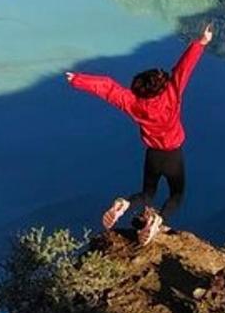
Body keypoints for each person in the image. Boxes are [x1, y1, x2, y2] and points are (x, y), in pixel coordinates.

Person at [65, 23, 213, 246]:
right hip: (173, 154)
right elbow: (184, 69)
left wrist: (77, 79)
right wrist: (201, 42)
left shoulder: (133, 103)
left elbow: (108, 88)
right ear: (161, 86)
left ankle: (123, 203)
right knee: (176, 195)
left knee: (147, 194)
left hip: (152, 155)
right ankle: (157, 220)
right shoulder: (171, 94)